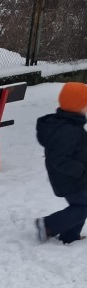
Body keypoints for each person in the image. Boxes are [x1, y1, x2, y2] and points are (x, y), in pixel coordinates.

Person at [35, 81, 87, 244]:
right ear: (77, 105)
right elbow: (59, 158)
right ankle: (48, 225)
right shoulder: (67, 130)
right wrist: (81, 169)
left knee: (80, 206)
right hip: (70, 178)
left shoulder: (71, 123)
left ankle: (69, 236)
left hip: (75, 176)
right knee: (82, 207)